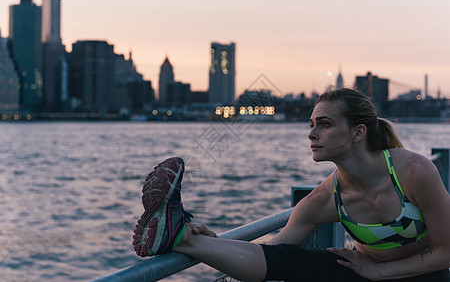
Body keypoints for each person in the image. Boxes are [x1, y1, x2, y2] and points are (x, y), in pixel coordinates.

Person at [132, 88, 450, 281]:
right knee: (292, 262)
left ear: (358, 132)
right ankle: (181, 237)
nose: (311, 134)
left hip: (426, 276)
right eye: (311, 125)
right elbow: (274, 253)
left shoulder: (413, 171)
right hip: (363, 273)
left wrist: (380, 272)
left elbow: (447, 252)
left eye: (325, 125)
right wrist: (216, 242)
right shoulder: (325, 198)